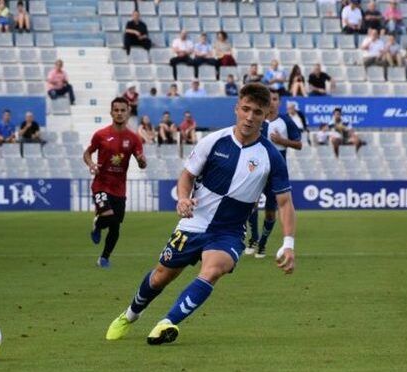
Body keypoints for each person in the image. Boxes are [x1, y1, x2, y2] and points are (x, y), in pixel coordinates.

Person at [104, 83, 296, 345]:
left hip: (229, 232)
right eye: (246, 109)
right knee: (162, 275)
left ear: (266, 116)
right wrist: (183, 198)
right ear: (236, 109)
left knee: (213, 269)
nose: (250, 117)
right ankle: (130, 314)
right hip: (194, 223)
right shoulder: (213, 140)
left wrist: (288, 244)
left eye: (258, 112)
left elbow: (285, 203)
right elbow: (187, 175)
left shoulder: (271, 156)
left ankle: (167, 323)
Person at [83, 97, 147, 268]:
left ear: (128, 112)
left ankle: (104, 258)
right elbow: (87, 153)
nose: (119, 113)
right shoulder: (101, 135)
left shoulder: (133, 138)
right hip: (101, 184)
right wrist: (91, 164)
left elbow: (142, 163)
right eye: (116, 110)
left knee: (115, 226)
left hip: (119, 189)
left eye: (122, 110)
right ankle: (98, 223)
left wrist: (141, 161)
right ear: (111, 112)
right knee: (107, 215)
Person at [245, 89, 301, 257]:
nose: (272, 102)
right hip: (255, 170)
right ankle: (253, 238)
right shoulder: (256, 120)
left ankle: (262, 242)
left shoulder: (286, 121)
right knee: (250, 206)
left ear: (279, 102)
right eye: (270, 99)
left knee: (271, 212)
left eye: (275, 99)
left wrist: (282, 141)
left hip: (275, 172)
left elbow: (299, 144)